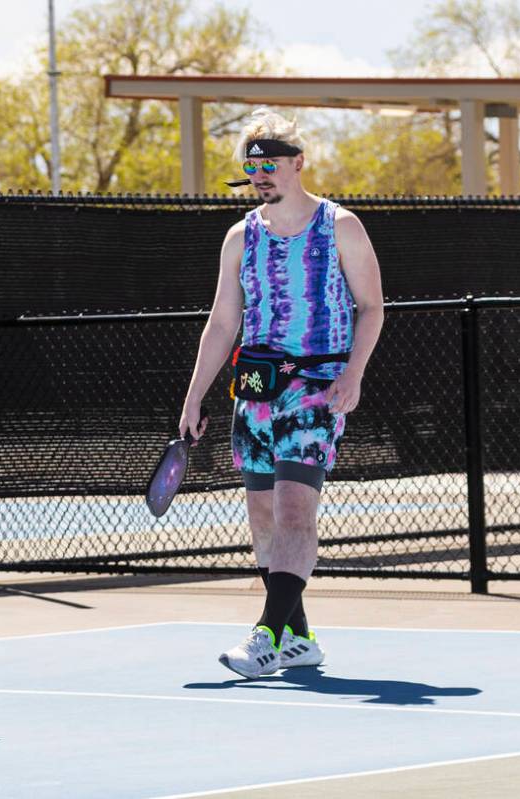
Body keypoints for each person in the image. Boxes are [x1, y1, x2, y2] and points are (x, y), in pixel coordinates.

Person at [180, 109, 383, 679]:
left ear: (297, 164)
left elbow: (372, 307)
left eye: (270, 164)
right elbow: (222, 323)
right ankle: (298, 636)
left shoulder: (340, 225)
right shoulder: (240, 236)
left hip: (317, 389)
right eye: (251, 167)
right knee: (264, 518)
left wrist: (354, 374)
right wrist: (194, 397)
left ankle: (265, 635)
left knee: (296, 508)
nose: (260, 174)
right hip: (256, 390)